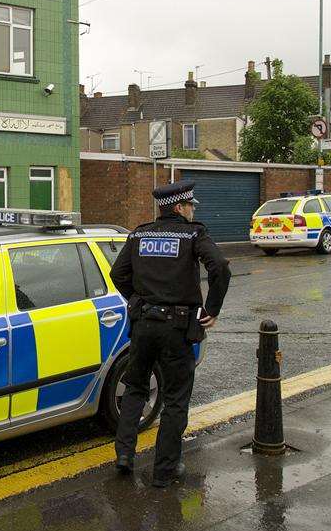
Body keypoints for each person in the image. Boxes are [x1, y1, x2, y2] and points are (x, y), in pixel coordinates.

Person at [110, 181, 231, 487]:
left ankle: (124, 456)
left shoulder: (139, 234)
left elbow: (117, 274)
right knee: (176, 398)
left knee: (135, 388)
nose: (193, 211)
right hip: (176, 328)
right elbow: (219, 266)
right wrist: (212, 310)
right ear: (179, 207)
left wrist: (137, 300)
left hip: (143, 325)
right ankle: (164, 470)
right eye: (191, 206)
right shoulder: (193, 234)